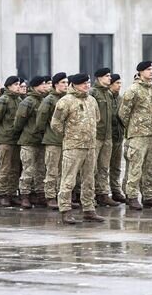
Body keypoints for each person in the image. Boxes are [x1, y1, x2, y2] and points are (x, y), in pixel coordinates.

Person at [51, 73, 104, 224]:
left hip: (90, 146)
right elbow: (55, 124)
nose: (86, 86)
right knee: (68, 180)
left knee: (89, 179)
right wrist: (70, 135)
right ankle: (65, 210)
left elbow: (97, 119)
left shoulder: (92, 100)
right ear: (74, 85)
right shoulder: (65, 101)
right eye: (83, 83)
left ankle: (89, 209)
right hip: (73, 147)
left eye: (87, 83)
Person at [118, 61, 152, 210]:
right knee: (135, 168)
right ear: (140, 72)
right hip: (137, 136)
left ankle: (149, 196)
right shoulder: (133, 90)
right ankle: (131, 196)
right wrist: (134, 128)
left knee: (150, 168)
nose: (151, 72)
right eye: (147, 69)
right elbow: (123, 113)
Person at [14, 76, 48, 208]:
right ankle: (25, 195)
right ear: (35, 86)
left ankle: (40, 194)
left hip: (41, 140)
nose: (45, 86)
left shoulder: (44, 100)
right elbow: (19, 122)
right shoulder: (27, 102)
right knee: (28, 169)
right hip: (28, 140)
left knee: (40, 170)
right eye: (42, 84)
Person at [36, 72, 68, 209]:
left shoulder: (68, 99)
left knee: (64, 171)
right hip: (53, 140)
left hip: (66, 141)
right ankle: (50, 196)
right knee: (52, 171)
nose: (66, 85)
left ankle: (63, 197)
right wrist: (48, 133)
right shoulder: (49, 100)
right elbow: (40, 120)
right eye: (63, 83)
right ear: (56, 85)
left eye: (67, 82)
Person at [89, 68, 120, 207]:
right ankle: (90, 196)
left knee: (104, 167)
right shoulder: (93, 93)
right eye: (107, 76)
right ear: (99, 78)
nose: (109, 78)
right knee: (91, 168)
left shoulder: (108, 93)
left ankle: (102, 194)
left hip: (107, 136)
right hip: (96, 136)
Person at [0, 76, 23, 207]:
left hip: (16, 139)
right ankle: (3, 194)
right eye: (15, 84)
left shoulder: (19, 100)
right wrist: (3, 131)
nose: (18, 87)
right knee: (5, 167)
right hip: (5, 139)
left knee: (15, 168)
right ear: (8, 86)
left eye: (19, 84)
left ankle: (12, 192)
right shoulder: (3, 100)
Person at [107, 73, 127, 203]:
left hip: (118, 137)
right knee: (101, 168)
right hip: (106, 137)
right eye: (117, 83)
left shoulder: (119, 99)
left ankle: (115, 190)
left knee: (116, 166)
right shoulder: (105, 97)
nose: (119, 86)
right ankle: (100, 192)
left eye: (120, 83)